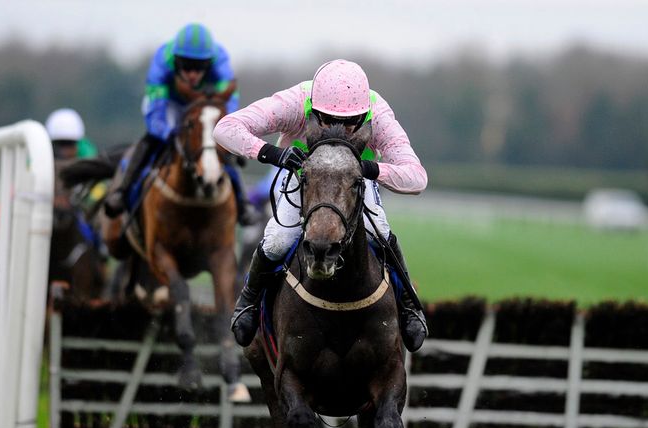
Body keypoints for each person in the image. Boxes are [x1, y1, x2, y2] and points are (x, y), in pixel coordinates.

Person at [213, 59, 429, 352]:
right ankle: (247, 301)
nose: (337, 128)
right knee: (278, 240)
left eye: (351, 123)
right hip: (303, 181)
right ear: (313, 108)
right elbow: (225, 128)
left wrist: (371, 169)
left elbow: (417, 177)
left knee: (379, 227)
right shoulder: (295, 101)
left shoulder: (378, 114)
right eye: (326, 120)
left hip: (350, 185)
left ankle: (408, 305)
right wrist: (272, 153)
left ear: (364, 114)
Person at [102, 23, 255, 224]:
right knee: (151, 140)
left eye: (199, 67)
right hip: (170, 103)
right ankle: (122, 192)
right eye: (186, 65)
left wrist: (225, 134)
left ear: (208, 64)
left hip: (204, 103)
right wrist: (169, 133)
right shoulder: (162, 60)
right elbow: (155, 113)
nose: (192, 74)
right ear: (175, 61)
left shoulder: (221, 59)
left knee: (219, 143)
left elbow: (229, 106)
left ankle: (242, 203)